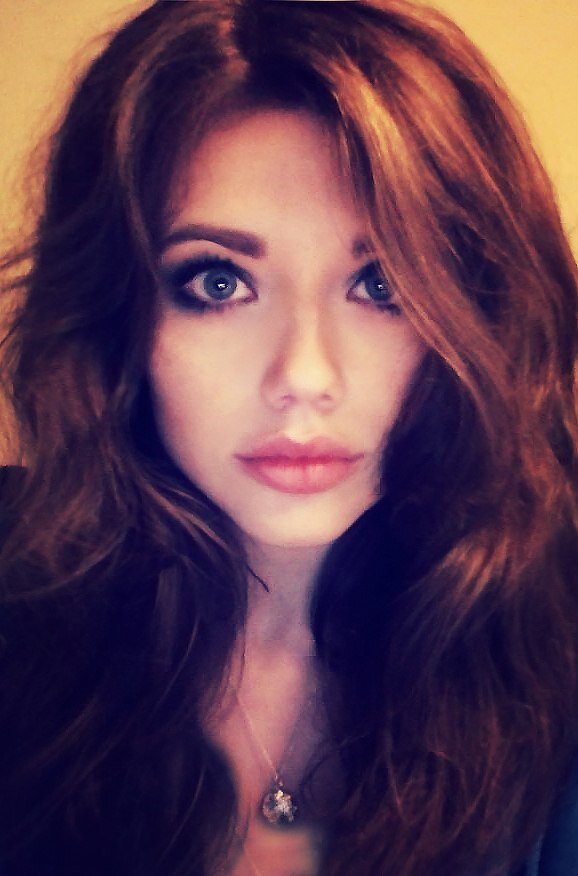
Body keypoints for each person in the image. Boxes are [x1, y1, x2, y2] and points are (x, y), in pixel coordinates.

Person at [1, 1, 577, 874]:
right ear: (116, 314)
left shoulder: (554, 656)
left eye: (384, 284)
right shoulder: (24, 617)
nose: (305, 376)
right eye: (219, 282)